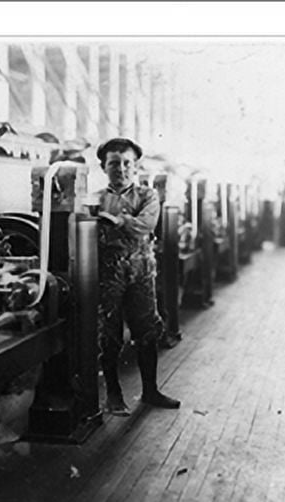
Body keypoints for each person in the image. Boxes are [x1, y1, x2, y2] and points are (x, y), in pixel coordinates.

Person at [94, 137, 181, 416]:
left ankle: (150, 391)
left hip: (141, 270)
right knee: (108, 333)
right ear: (103, 167)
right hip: (108, 272)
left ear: (136, 166)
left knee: (147, 330)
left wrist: (117, 221)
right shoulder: (94, 199)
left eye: (126, 163)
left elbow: (146, 225)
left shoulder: (147, 196)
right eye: (113, 163)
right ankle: (114, 396)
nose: (121, 168)